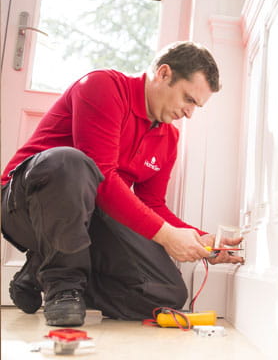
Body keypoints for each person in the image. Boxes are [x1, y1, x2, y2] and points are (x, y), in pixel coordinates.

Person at [1, 41, 244, 327]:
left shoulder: (169, 139)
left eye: (197, 106)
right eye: (188, 99)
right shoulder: (103, 86)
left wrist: (202, 239)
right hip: (25, 204)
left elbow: (152, 205)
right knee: (72, 162)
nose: (190, 113)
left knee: (167, 293)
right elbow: (102, 179)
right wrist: (166, 236)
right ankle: (63, 287)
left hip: (83, 219)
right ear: (164, 74)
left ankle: (41, 269)